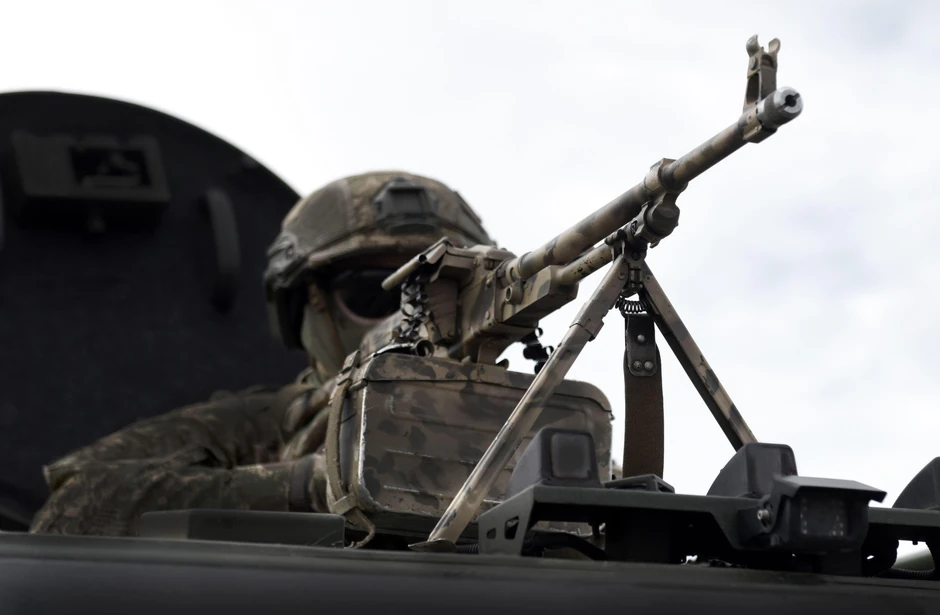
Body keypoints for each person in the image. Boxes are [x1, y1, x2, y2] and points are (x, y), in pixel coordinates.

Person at [29, 170, 495, 536]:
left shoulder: (527, 418)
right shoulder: (261, 426)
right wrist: (315, 484)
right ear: (306, 306)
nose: (415, 316)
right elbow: (75, 505)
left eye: (449, 294)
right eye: (374, 293)